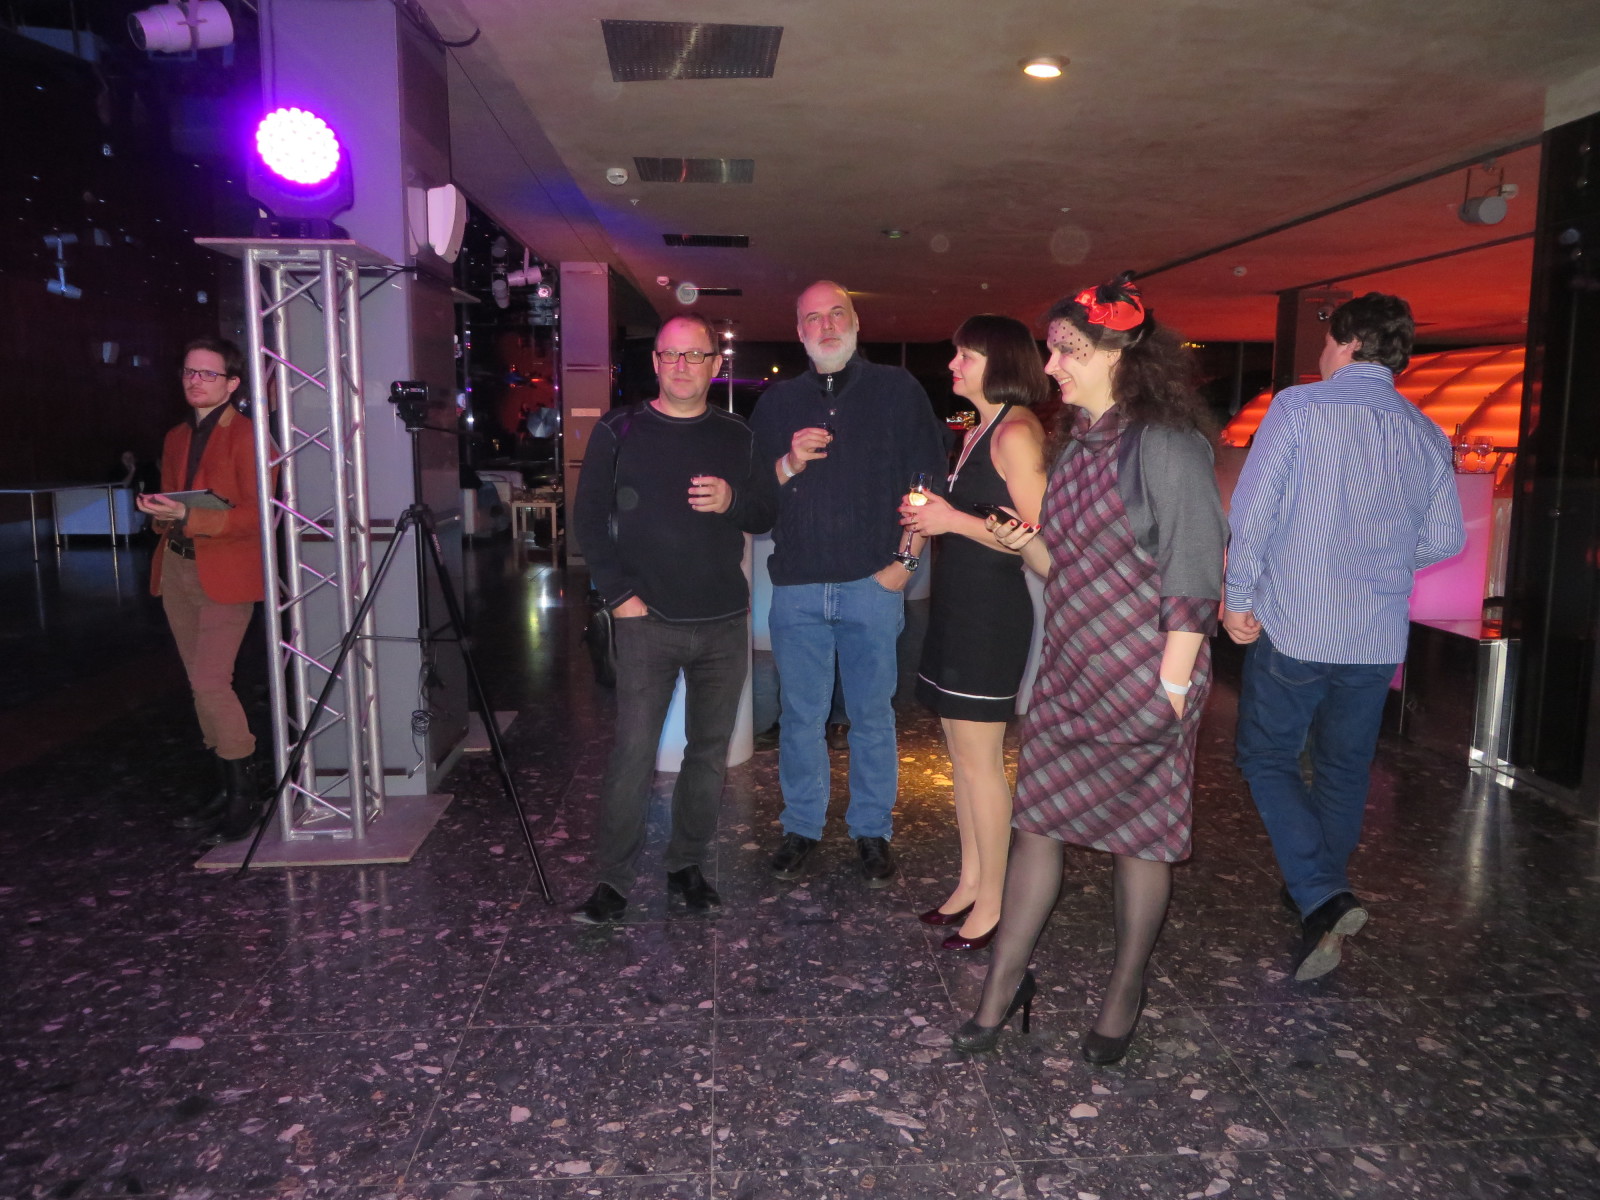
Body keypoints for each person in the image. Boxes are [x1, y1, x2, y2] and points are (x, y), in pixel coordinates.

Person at [951, 275, 1226, 1064]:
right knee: (1036, 827)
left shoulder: (1166, 445)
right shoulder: (1076, 445)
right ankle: (1003, 987)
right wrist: (1023, 542)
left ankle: (1124, 992)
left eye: (1066, 350)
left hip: (1145, 676)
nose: (1051, 366)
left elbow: (1194, 571)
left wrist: (1171, 689)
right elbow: (1062, 565)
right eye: (1051, 349)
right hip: (1072, 671)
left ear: (1116, 353)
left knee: (1142, 842)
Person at [1223, 292, 1465, 981]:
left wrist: (1239, 597)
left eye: (1328, 341)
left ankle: (1323, 892)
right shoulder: (1424, 432)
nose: (1323, 353)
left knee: (1267, 755)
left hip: (1298, 623)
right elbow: (1446, 537)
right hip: (1375, 636)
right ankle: (1317, 894)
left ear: (1351, 342)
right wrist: (1381, 562)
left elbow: (1254, 510)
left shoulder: (1299, 408)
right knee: (1343, 768)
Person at [569, 314, 778, 924]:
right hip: (647, 621)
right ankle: (612, 881)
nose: (683, 365)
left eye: (695, 355)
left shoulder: (737, 435)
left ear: (716, 364)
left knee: (707, 755)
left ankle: (686, 865)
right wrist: (620, 598)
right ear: (656, 362)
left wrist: (732, 501)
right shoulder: (619, 429)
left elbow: (764, 513)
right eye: (671, 355)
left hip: (722, 622)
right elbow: (588, 521)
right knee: (633, 755)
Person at [750, 281, 947, 887]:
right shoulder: (777, 404)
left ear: (857, 321)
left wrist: (904, 564)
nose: (827, 326)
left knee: (872, 716)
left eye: (838, 314)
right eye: (814, 318)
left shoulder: (897, 390)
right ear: (800, 331)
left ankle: (871, 830)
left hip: (872, 583)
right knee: (800, 718)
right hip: (798, 588)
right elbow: (754, 502)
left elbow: (925, 482)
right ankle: (801, 826)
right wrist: (787, 463)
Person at [897, 315, 1050, 951]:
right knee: (961, 760)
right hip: (960, 609)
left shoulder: (1016, 431)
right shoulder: (978, 429)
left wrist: (951, 520)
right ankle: (970, 881)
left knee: (982, 764)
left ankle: (994, 903)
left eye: (966, 356)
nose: (953, 365)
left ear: (1001, 363)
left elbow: (1044, 545)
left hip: (991, 615)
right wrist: (933, 519)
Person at [136, 338, 271, 842]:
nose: (195, 381)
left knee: (212, 681)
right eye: (190, 372)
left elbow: (261, 515)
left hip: (226, 572)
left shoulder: (251, 437)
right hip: (177, 568)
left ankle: (245, 793)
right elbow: (177, 502)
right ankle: (225, 785)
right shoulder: (176, 436)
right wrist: (162, 513)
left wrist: (189, 515)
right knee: (200, 683)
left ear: (232, 384)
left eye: (208, 374)